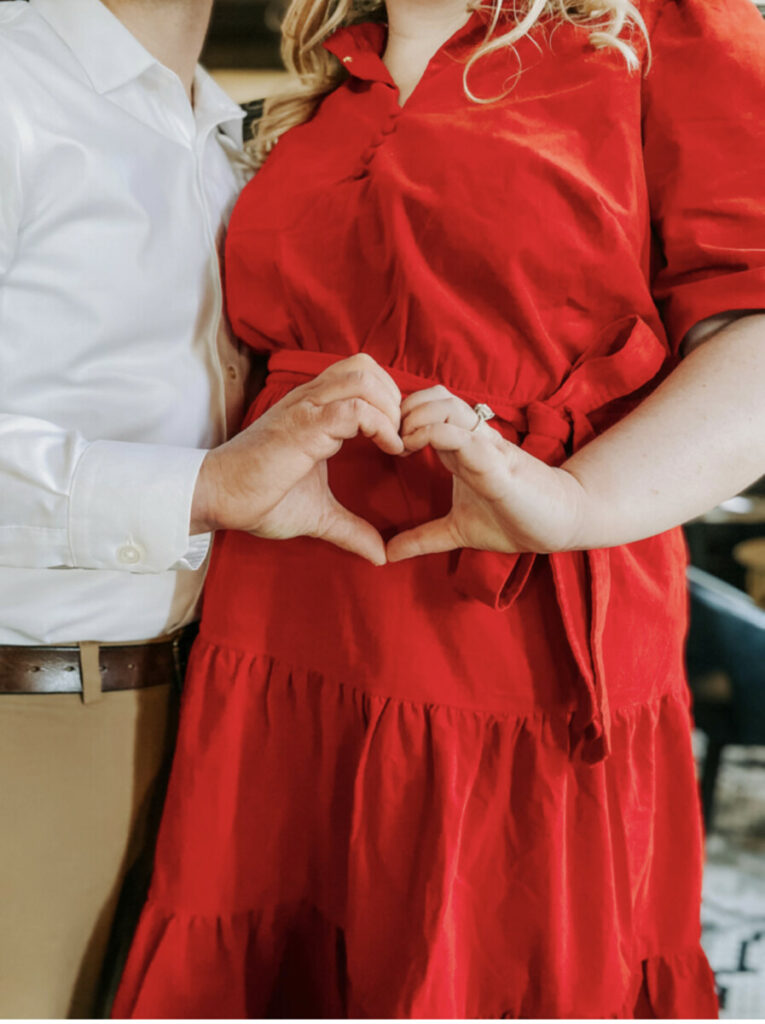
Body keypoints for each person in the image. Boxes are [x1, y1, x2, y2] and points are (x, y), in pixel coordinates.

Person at [113, 0, 765, 1016]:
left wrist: (574, 499)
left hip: (507, 632)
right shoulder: (332, 84)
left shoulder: (671, 29)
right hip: (280, 630)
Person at [0, 0, 400, 1016]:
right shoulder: (13, 81)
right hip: (25, 723)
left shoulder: (229, 134)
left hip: (207, 719)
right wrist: (206, 489)